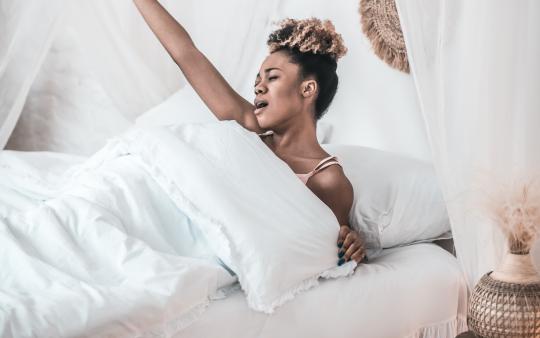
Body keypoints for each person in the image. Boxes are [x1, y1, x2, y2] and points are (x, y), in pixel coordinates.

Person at [133, 0, 366, 265]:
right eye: (257, 80)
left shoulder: (327, 179)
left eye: (272, 77)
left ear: (308, 89)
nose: (258, 87)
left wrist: (354, 247)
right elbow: (186, 54)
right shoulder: (250, 131)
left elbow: (333, 253)